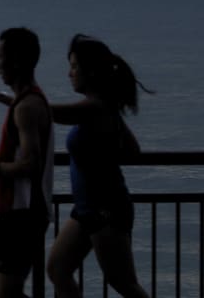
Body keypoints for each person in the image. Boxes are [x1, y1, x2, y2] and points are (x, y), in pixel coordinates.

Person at [45, 34, 150, 298]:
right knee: (58, 268)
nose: (69, 74)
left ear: (90, 72)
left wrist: (10, 100)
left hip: (106, 209)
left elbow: (52, 113)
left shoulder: (95, 108)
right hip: (88, 207)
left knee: (123, 282)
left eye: (74, 67)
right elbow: (132, 150)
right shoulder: (106, 109)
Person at [0, 27, 54, 298]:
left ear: (17, 60)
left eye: (1, 57)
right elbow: (21, 161)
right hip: (12, 211)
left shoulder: (28, 107)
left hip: (25, 214)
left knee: (4, 294)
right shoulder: (23, 102)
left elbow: (31, 164)